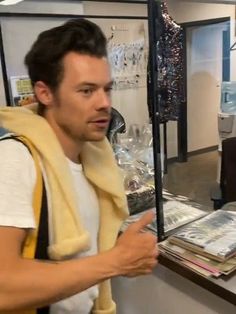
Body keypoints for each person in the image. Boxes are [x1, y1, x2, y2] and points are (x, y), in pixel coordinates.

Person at [0, 18, 158, 314]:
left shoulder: (94, 160)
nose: (103, 103)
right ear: (45, 93)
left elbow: (83, 259)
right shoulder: (14, 159)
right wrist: (114, 261)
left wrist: (120, 252)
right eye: (86, 91)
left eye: (106, 89)